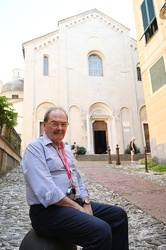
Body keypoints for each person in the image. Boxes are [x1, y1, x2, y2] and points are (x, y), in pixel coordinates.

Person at [21, 106, 129, 250]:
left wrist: (86, 203)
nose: (60, 128)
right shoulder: (35, 149)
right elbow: (47, 191)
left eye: (63, 124)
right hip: (46, 211)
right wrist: (78, 208)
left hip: (72, 204)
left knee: (118, 216)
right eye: (55, 123)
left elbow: (77, 179)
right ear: (44, 125)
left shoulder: (65, 149)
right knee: (100, 231)